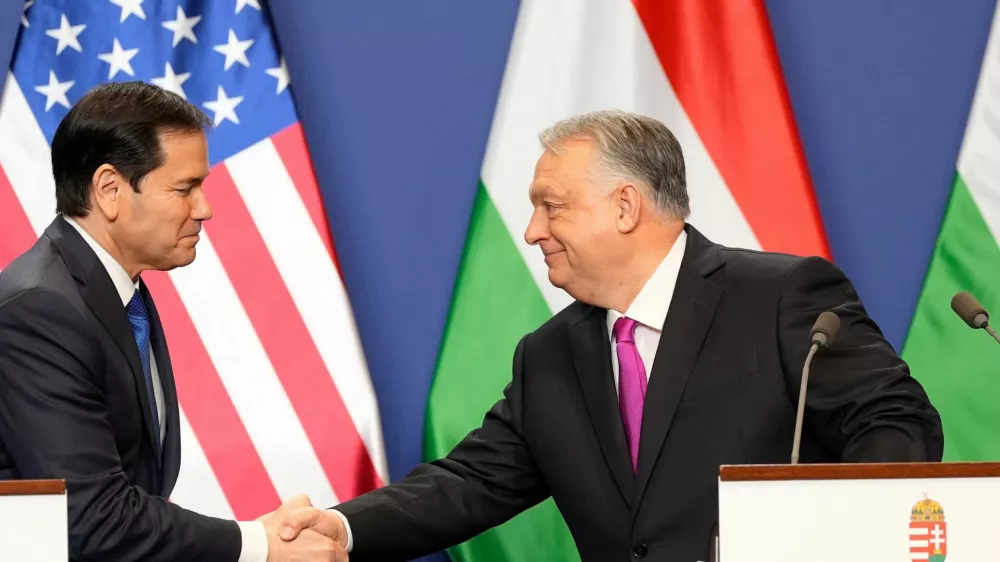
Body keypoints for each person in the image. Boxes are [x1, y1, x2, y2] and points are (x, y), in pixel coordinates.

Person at [276, 109, 944, 561]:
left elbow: (895, 423)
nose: (534, 230)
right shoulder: (550, 356)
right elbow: (470, 483)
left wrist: (838, 534)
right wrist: (339, 528)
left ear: (626, 206)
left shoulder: (781, 297)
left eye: (551, 205)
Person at [0, 82, 344, 562]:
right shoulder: (38, 310)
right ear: (110, 190)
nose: (204, 208)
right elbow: (92, 518)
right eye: (185, 188)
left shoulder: (114, 292)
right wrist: (259, 544)